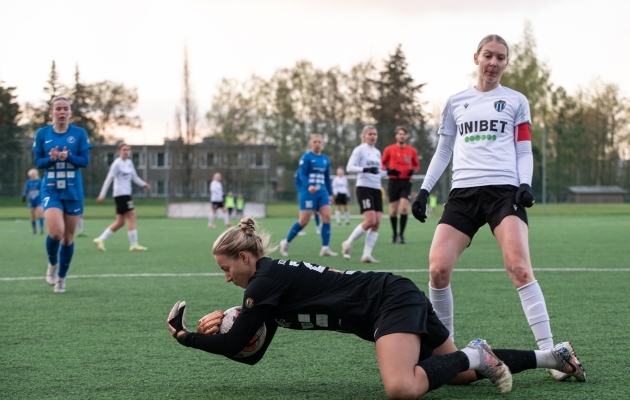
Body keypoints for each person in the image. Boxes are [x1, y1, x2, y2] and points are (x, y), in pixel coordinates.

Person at [166, 218, 586, 399]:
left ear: (244, 259)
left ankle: (479, 351)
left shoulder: (264, 282)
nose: (226, 278)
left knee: (401, 388)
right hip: (390, 297)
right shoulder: (267, 283)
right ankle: (553, 355)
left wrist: (189, 338)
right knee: (456, 375)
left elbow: (240, 339)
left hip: (388, 301)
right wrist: (227, 325)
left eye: (226, 269)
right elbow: (252, 352)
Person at [410, 34, 569, 381]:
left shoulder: (515, 100)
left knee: (519, 268)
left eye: (500, 57)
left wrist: (524, 183)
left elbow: (524, 148)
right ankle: (446, 353)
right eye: (488, 56)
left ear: (506, 63)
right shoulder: (456, 102)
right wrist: (424, 190)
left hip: (503, 192)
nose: (494, 63)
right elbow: (443, 150)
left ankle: (553, 352)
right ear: (476, 58)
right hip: (463, 194)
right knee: (437, 269)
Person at [33, 96, 92, 293]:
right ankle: (52, 265)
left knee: (68, 238)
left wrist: (70, 157)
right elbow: (38, 163)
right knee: (56, 232)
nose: (61, 112)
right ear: (51, 112)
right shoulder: (42, 134)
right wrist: (50, 159)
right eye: (58, 108)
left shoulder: (80, 133)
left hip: (73, 190)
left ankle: (62, 278)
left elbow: (84, 161)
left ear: (70, 113)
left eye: (65, 108)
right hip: (50, 188)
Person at [280, 134, 336, 257]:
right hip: (308, 193)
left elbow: (327, 178)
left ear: (322, 144)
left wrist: (330, 193)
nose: (317, 144)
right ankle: (286, 241)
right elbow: (302, 175)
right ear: (311, 144)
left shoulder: (325, 159)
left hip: (322, 192)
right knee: (304, 221)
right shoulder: (306, 157)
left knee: (327, 216)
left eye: (319, 142)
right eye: (315, 142)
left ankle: (325, 248)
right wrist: (309, 185)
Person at [93, 142, 151, 252]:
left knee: (120, 222)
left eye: (128, 150)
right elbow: (108, 179)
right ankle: (134, 245)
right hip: (121, 194)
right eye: (124, 150)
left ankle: (100, 239)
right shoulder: (117, 164)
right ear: (119, 152)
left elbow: (134, 177)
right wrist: (102, 195)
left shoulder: (129, 163)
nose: (126, 152)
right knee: (132, 217)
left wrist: (144, 184)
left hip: (126, 194)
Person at [341, 125, 387, 263]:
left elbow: (377, 172)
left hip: (376, 188)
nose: (373, 136)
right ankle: (348, 243)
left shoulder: (377, 152)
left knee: (377, 222)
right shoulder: (359, 150)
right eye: (370, 134)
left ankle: (366, 254)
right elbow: (349, 167)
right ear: (364, 136)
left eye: (375, 134)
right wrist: (365, 169)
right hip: (364, 188)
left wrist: (390, 172)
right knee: (370, 220)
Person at [381, 126, 420, 244]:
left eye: (404, 134)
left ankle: (401, 235)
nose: (402, 136)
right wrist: (388, 170)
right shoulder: (389, 149)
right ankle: (394, 234)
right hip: (393, 182)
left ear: (406, 136)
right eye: (400, 134)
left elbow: (416, 165)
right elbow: (382, 164)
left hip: (405, 182)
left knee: (403, 208)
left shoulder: (412, 150)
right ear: (396, 136)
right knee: (393, 210)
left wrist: (413, 171)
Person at [22, 168, 44, 235]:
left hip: (39, 200)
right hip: (32, 200)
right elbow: (26, 190)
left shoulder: (39, 181)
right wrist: (24, 195)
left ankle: (41, 228)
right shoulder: (28, 182)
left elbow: (42, 190)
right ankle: (34, 229)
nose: (32, 175)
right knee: (32, 215)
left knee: (40, 213)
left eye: (34, 174)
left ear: (36, 174)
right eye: (31, 174)